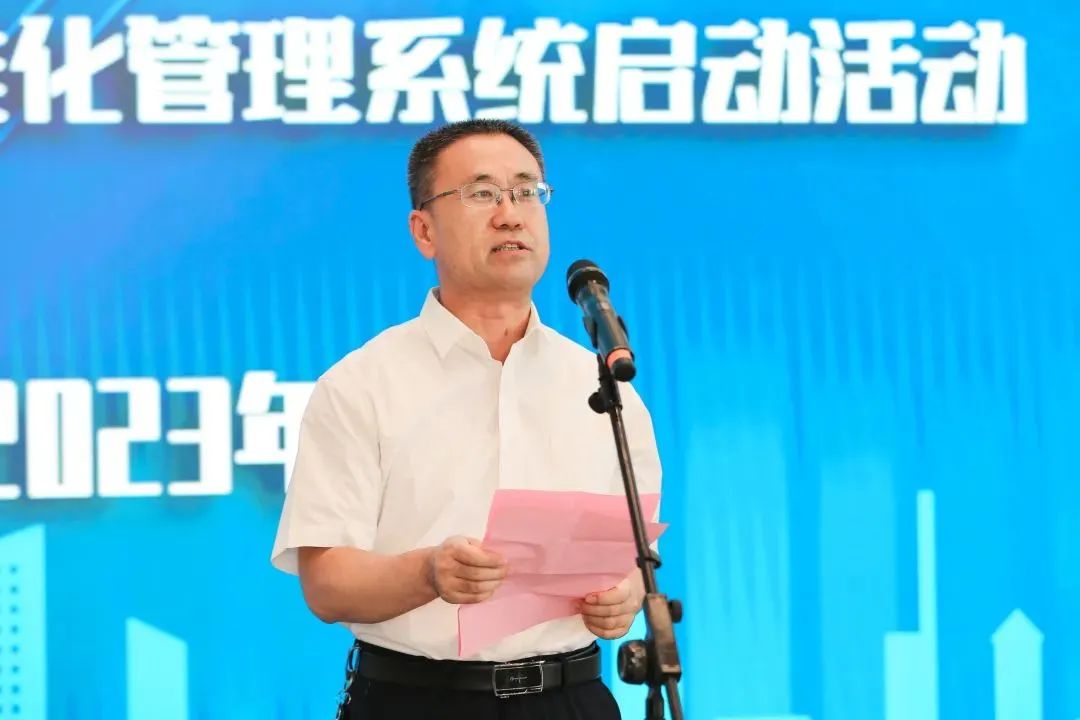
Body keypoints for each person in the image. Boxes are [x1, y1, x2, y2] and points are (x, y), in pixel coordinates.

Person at [270, 119, 662, 720]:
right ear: (423, 230)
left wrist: (625, 596)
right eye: (482, 193)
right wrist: (428, 573)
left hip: (573, 700)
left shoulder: (605, 384)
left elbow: (635, 555)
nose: (510, 215)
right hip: (415, 701)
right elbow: (326, 585)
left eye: (526, 191)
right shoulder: (361, 384)